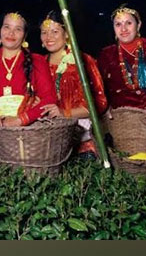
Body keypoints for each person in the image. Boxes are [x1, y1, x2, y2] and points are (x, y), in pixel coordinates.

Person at [39, 10, 108, 157]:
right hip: (45, 141)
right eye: (44, 32)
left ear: (67, 34)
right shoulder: (39, 64)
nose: (48, 37)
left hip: (81, 142)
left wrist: (64, 113)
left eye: (55, 31)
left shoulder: (82, 61)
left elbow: (99, 103)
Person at [0, 12, 57, 127]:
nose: (11, 33)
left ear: (24, 36)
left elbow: (49, 99)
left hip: (29, 130)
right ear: (0, 31)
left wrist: (22, 119)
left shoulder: (37, 61)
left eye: (18, 29)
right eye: (7, 27)